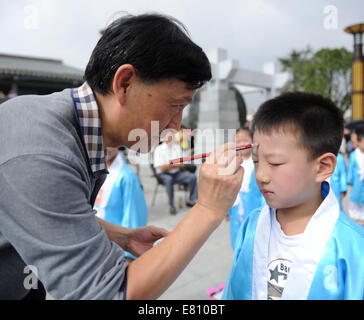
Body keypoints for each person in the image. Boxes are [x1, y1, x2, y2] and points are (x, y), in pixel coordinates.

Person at [0, 13, 244, 300]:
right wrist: (208, 209)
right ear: (125, 83)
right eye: (175, 105)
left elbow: (48, 213)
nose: (176, 124)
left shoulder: (73, 128)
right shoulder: (41, 152)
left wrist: (122, 236)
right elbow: (108, 294)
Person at [223, 92, 364, 300]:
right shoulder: (252, 225)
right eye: (255, 162)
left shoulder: (351, 247)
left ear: (323, 166)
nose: (261, 175)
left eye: (275, 163)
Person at [94, 147, 148, 260]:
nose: (106, 146)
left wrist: (129, 256)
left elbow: (134, 219)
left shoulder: (127, 177)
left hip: (116, 251)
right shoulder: (93, 171)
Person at [226, 127, 265, 251]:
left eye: (245, 140)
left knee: (254, 237)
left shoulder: (259, 163)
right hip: (236, 208)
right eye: (238, 141)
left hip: (254, 205)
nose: (242, 144)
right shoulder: (233, 163)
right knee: (237, 238)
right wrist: (227, 210)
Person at [154, 132, 198, 214]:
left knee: (192, 177)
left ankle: (192, 200)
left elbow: (184, 162)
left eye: (172, 136)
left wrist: (171, 164)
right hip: (163, 175)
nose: (172, 138)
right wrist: (176, 164)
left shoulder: (177, 147)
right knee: (169, 179)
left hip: (177, 173)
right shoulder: (158, 150)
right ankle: (171, 205)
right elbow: (162, 168)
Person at [347, 124, 364, 225]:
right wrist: (350, 180)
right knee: (355, 204)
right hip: (357, 186)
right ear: (358, 141)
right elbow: (350, 170)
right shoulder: (353, 155)